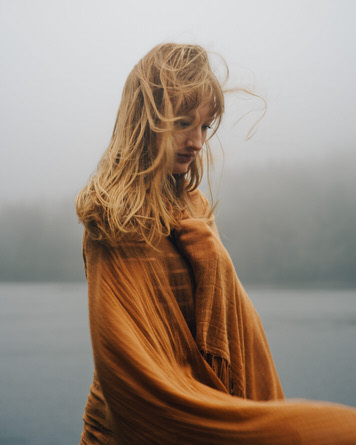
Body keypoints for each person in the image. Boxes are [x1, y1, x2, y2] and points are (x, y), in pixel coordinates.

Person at [76, 43, 356, 444]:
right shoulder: (114, 219)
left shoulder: (193, 206)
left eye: (204, 127)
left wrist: (213, 261)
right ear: (146, 119)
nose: (196, 141)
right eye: (182, 123)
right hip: (126, 430)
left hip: (209, 391)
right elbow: (122, 359)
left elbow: (228, 324)